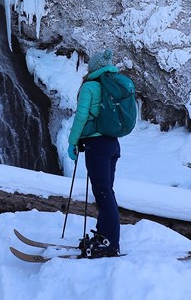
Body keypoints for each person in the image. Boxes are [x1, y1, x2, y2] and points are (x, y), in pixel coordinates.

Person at [67, 48, 122, 258]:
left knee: (103, 193)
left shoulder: (90, 87)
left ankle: (110, 243)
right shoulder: (113, 85)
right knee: (106, 191)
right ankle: (103, 236)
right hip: (112, 144)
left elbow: (81, 117)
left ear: (93, 69)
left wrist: (73, 142)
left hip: (97, 146)